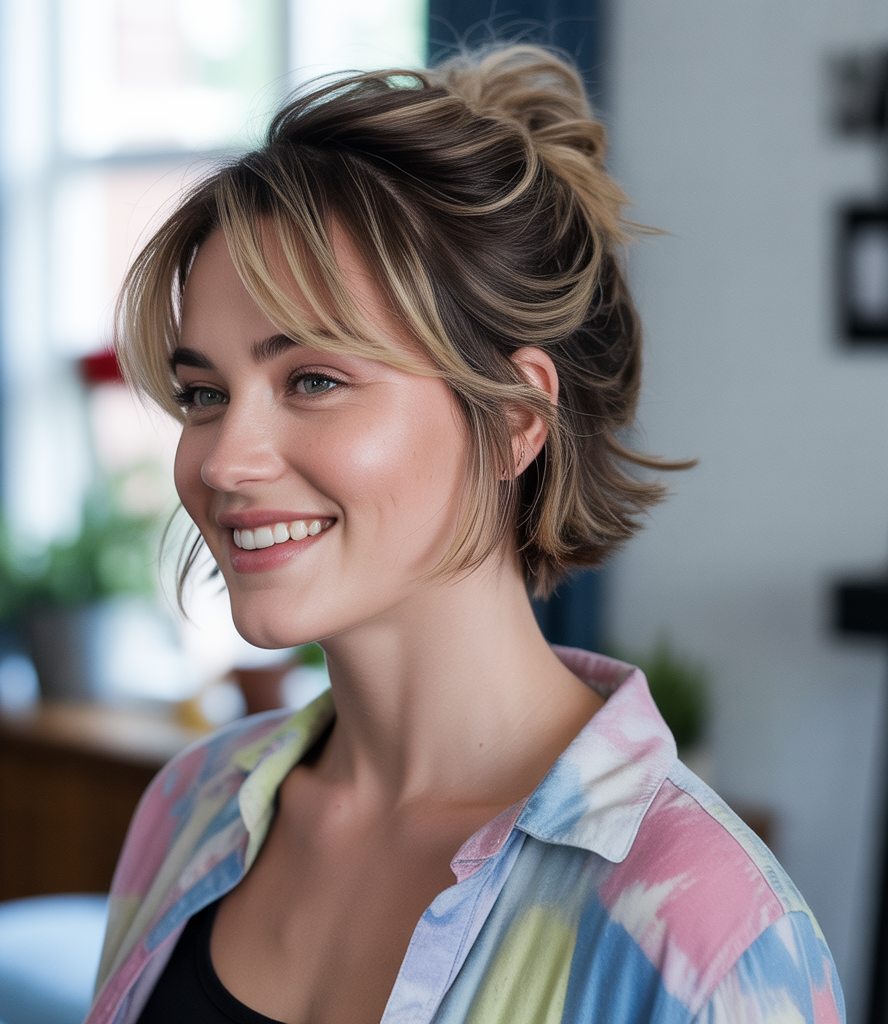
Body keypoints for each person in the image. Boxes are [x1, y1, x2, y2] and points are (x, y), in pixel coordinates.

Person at [84, 46, 845, 1024]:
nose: (224, 461)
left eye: (312, 379)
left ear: (514, 419)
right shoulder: (189, 806)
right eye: (203, 394)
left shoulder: (712, 939)